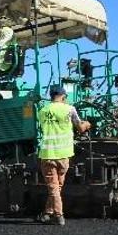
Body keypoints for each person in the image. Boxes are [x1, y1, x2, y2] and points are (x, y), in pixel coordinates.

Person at [37, 86, 91, 226]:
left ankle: (53, 214)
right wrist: (87, 124)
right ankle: (53, 215)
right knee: (56, 187)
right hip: (64, 156)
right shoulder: (70, 109)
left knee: (54, 188)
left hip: (48, 155)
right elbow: (80, 128)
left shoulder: (42, 111)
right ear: (62, 96)